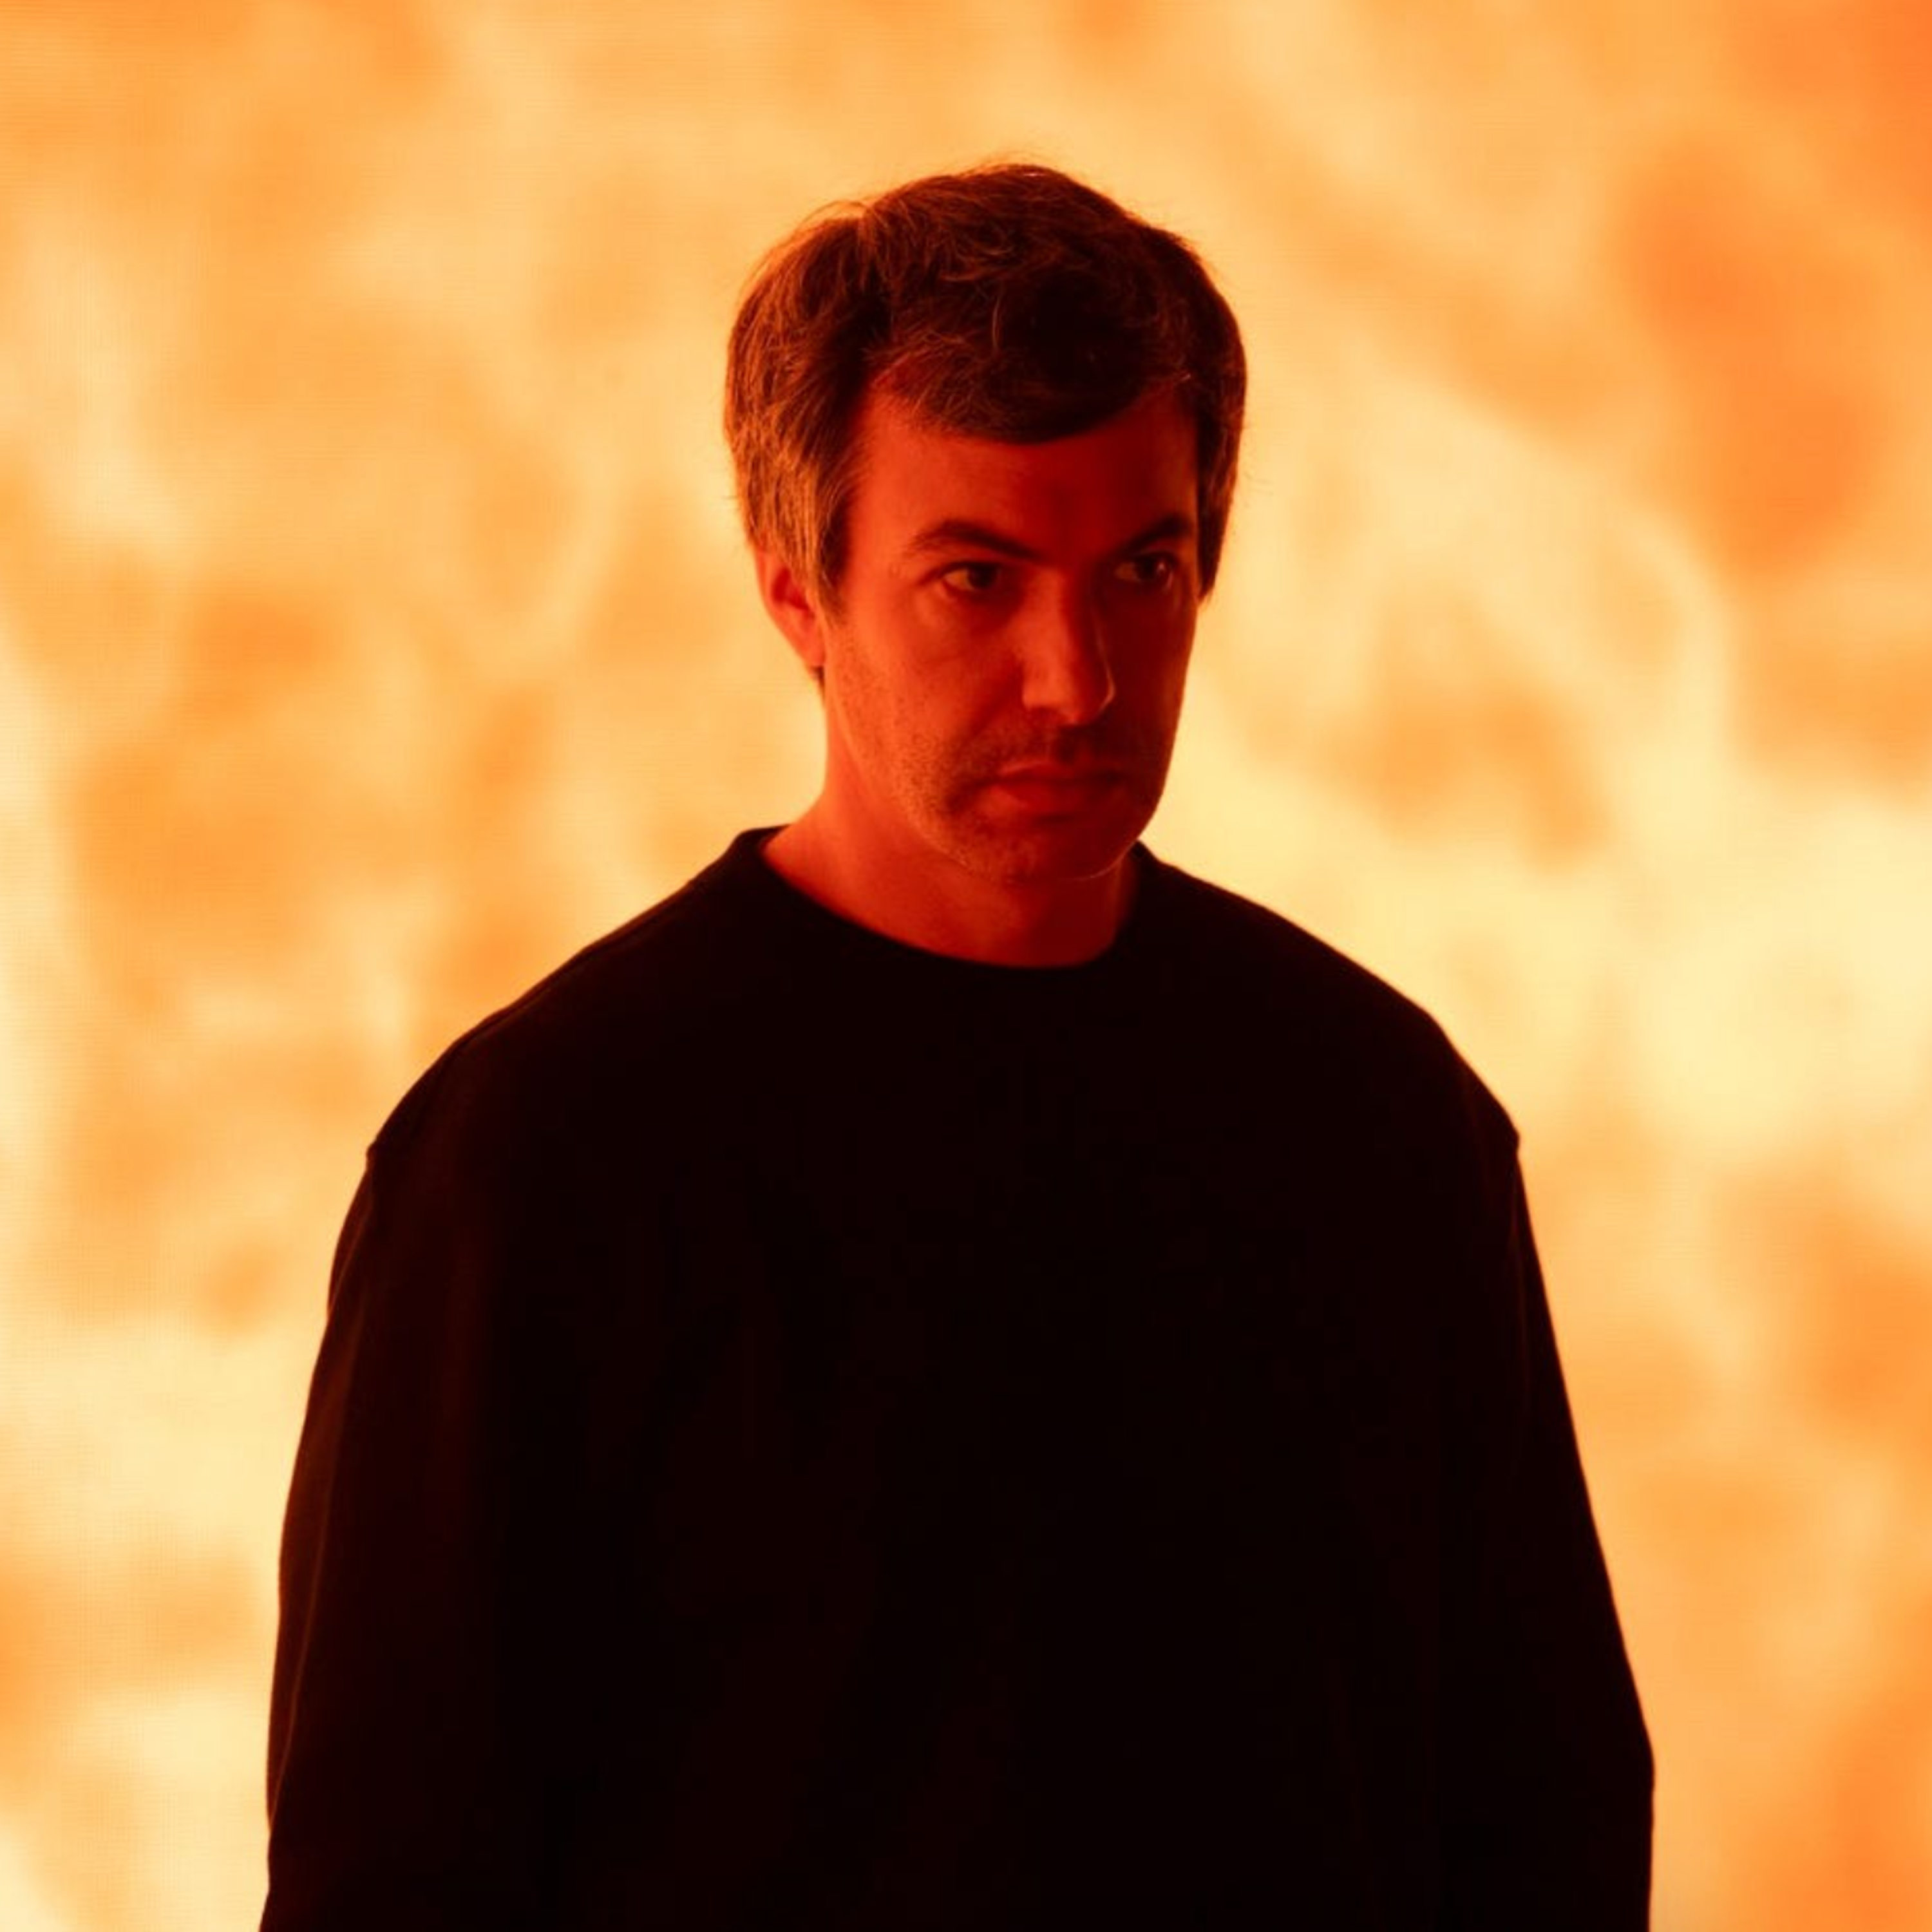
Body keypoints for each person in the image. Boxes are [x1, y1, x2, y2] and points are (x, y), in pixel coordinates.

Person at [261, 162, 1653, 1929]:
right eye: (976, 578)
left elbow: (1547, 1813)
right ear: (799, 593)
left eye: (1141, 569)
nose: (1078, 679)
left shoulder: (1385, 1118)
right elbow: (387, 1886)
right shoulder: (539, 1163)